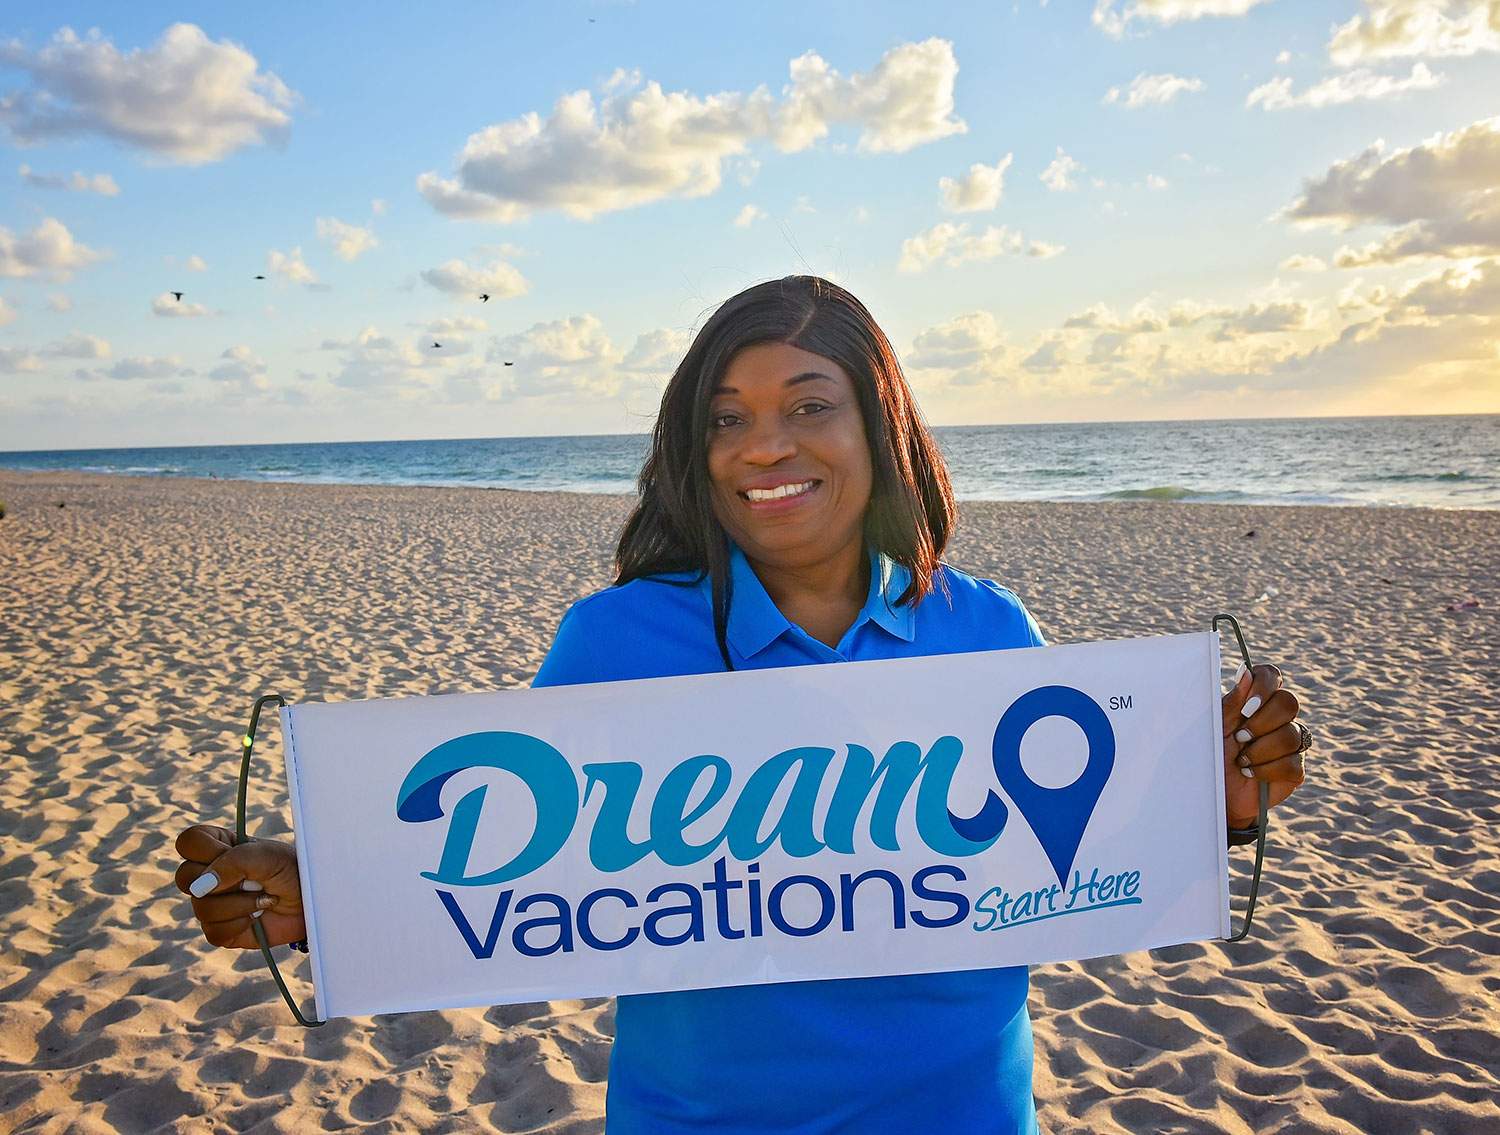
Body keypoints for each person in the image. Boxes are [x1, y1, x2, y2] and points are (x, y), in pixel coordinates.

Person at [175, 275, 1308, 1134]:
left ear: (879, 426)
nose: (764, 445)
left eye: (808, 405)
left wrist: (1216, 804)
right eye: (726, 418)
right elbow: (522, 871)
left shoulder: (988, 632)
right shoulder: (618, 639)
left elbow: (1084, 862)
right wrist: (324, 894)